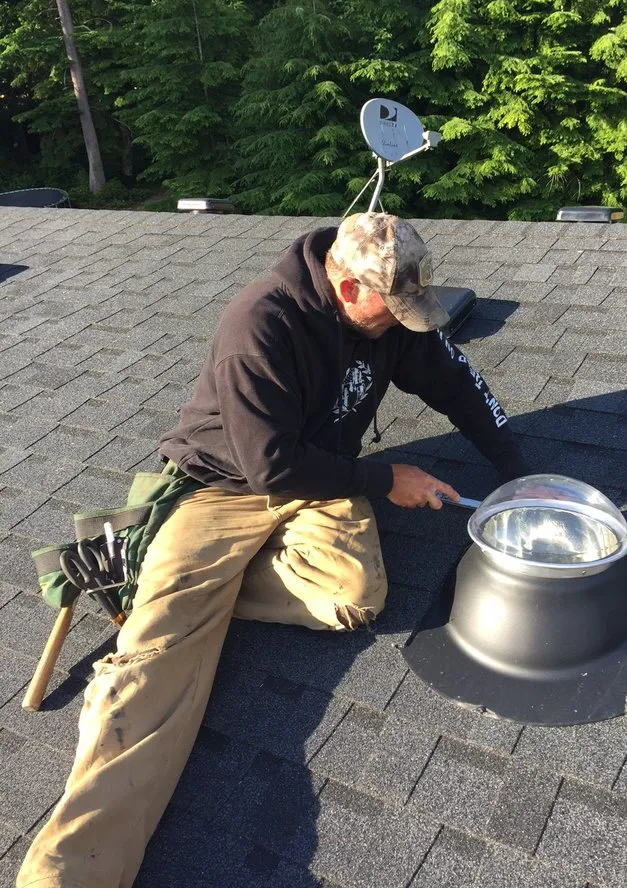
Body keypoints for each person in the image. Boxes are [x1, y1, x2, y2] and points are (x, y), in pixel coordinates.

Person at [17, 212, 528, 888]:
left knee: (352, 599)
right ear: (347, 289)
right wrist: (387, 480)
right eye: (394, 308)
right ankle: (69, 872)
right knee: (158, 658)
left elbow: (456, 383)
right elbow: (268, 467)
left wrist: (521, 476)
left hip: (318, 478)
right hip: (221, 486)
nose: (407, 321)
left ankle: (195, 586)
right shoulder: (260, 324)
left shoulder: (391, 317)